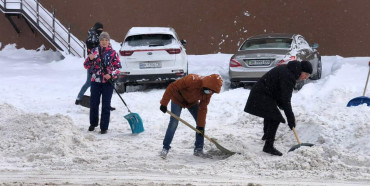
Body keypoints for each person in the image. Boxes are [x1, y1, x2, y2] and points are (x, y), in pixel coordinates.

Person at [244, 60, 312, 156]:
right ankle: (268, 146)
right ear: (301, 71)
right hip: (261, 95)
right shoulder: (289, 76)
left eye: (308, 76)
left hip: (262, 93)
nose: (305, 78)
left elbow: (280, 93)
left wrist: (283, 106)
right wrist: (290, 118)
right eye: (306, 74)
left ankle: (267, 135)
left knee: (271, 114)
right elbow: (286, 99)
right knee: (275, 117)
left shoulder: (288, 70)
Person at [159, 74, 223, 159]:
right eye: (209, 91)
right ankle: (165, 148)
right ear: (205, 85)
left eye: (212, 92)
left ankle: (198, 149)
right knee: (174, 122)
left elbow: (203, 108)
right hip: (177, 99)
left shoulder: (208, 92)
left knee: (201, 123)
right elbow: (172, 87)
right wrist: (164, 103)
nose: (210, 93)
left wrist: (200, 126)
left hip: (191, 102)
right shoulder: (191, 80)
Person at [83, 32, 122, 134]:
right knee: (94, 103)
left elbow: (118, 69)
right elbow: (86, 65)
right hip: (95, 81)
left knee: (106, 105)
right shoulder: (94, 52)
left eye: (106, 40)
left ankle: (104, 127)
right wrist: (90, 58)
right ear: (99, 41)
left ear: (109, 41)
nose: (104, 42)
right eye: (102, 40)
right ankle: (93, 123)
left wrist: (111, 74)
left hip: (107, 83)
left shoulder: (113, 53)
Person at [75, 22, 115, 110]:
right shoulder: (91, 39)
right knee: (90, 82)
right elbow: (92, 51)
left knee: (106, 84)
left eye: (102, 30)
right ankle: (79, 98)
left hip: (103, 63)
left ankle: (106, 104)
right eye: (99, 30)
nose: (100, 31)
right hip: (93, 63)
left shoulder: (101, 38)